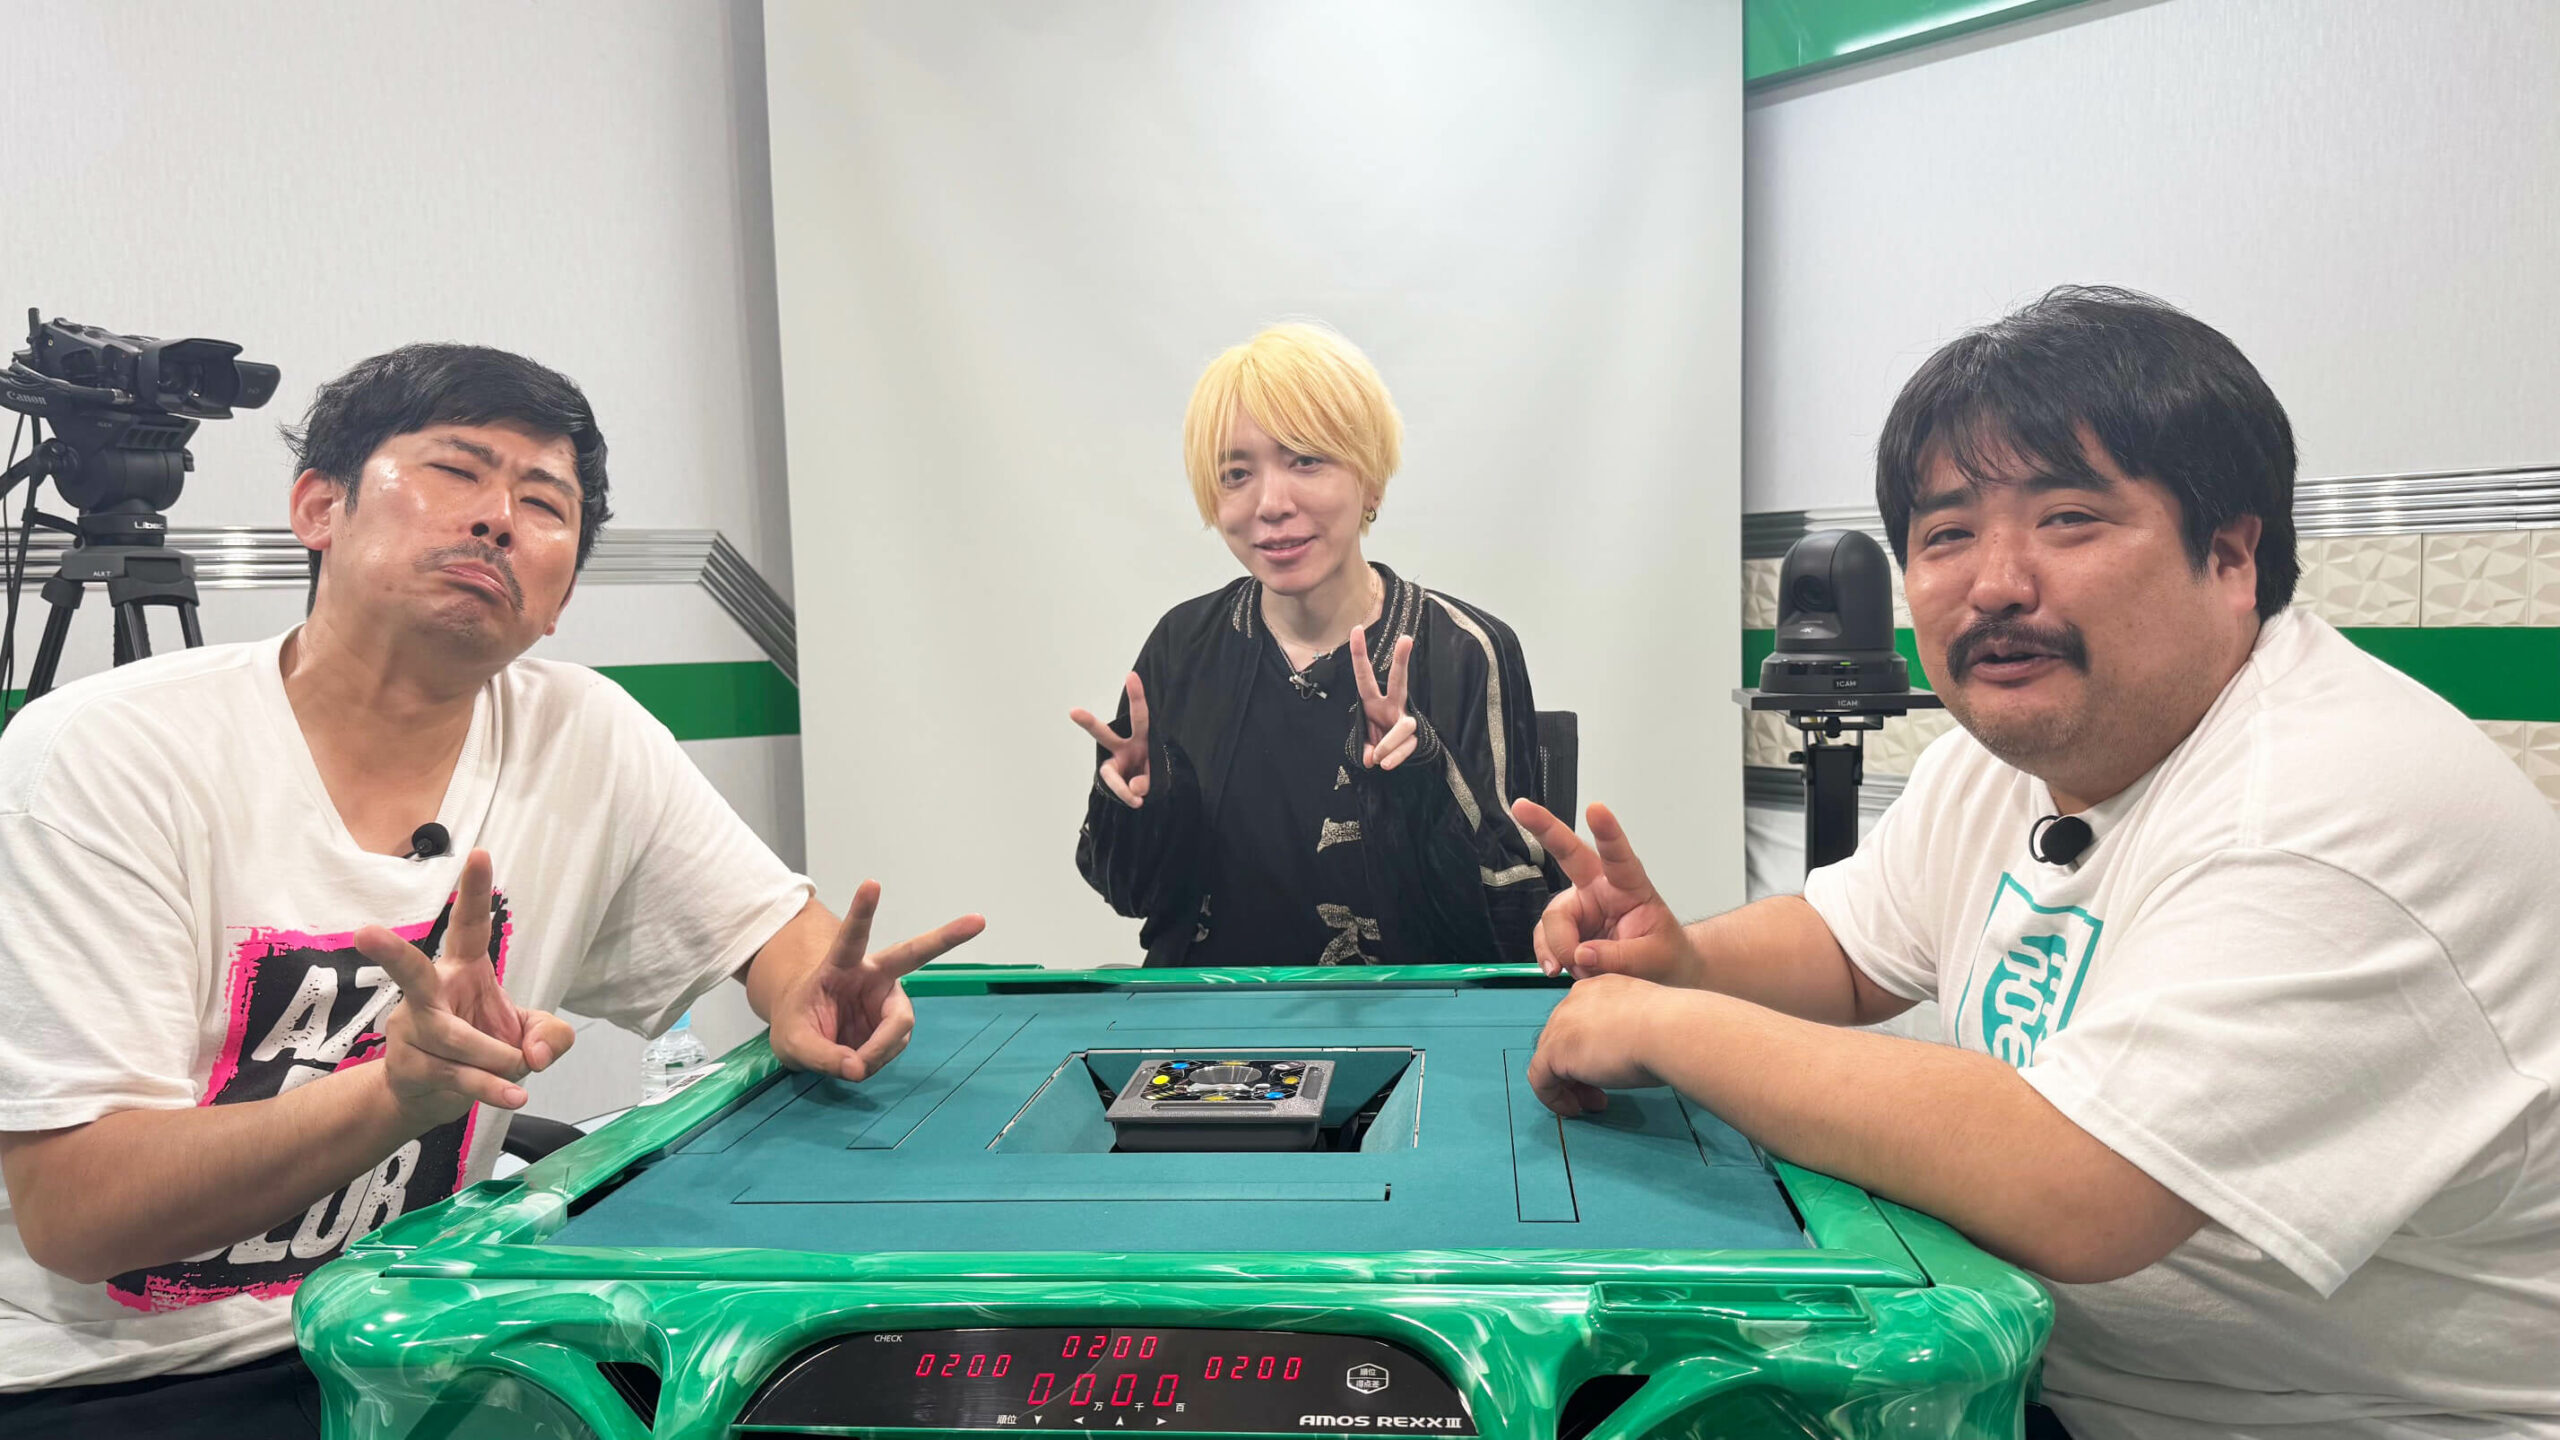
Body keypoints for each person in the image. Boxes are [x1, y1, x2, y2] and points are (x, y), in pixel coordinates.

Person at [1516, 288, 2559, 1439]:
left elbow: (2078, 1182)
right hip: (2049, 1382)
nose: (1995, 583)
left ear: (2229, 553)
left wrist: (1672, 1027)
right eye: (1946, 534)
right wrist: (1681, 959)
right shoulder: (2005, 757)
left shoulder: (2326, 803)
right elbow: (1850, 947)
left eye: (2067, 518)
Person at [0, 344, 983, 1433]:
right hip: (131, 1382)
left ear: (559, 599)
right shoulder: (103, 758)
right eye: (455, 471)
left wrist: (808, 990)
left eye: (543, 504)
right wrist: (395, 1094)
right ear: (318, 507)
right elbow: (80, 1215)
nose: (498, 520)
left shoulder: (583, 732)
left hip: (431, 1337)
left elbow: (774, 935)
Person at [1072, 323, 1553, 967]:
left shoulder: (1464, 650)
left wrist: (1421, 775)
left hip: (1409, 1013)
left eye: (1306, 460)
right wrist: (1140, 806)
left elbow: (1520, 924)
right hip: (1204, 1013)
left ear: (1371, 481)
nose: (1271, 504)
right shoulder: (1182, 645)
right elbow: (1131, 895)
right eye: (1237, 473)